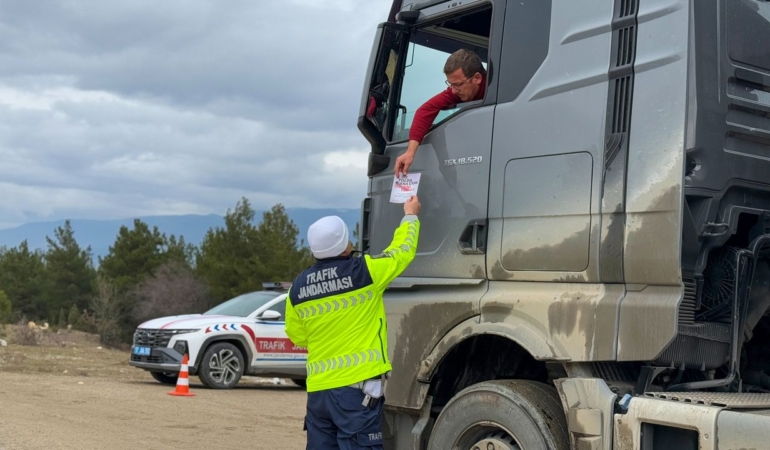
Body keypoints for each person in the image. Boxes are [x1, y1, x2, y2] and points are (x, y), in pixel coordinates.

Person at [285, 195, 422, 450]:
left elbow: (297, 336)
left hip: (319, 394)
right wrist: (410, 215)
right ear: (344, 244)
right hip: (355, 394)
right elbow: (402, 251)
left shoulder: (298, 287)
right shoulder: (364, 272)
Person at [394, 48, 487, 177]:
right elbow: (425, 111)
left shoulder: (499, 86)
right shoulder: (458, 92)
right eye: (450, 84)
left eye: (457, 84)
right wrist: (410, 153)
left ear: (477, 78)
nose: (453, 91)